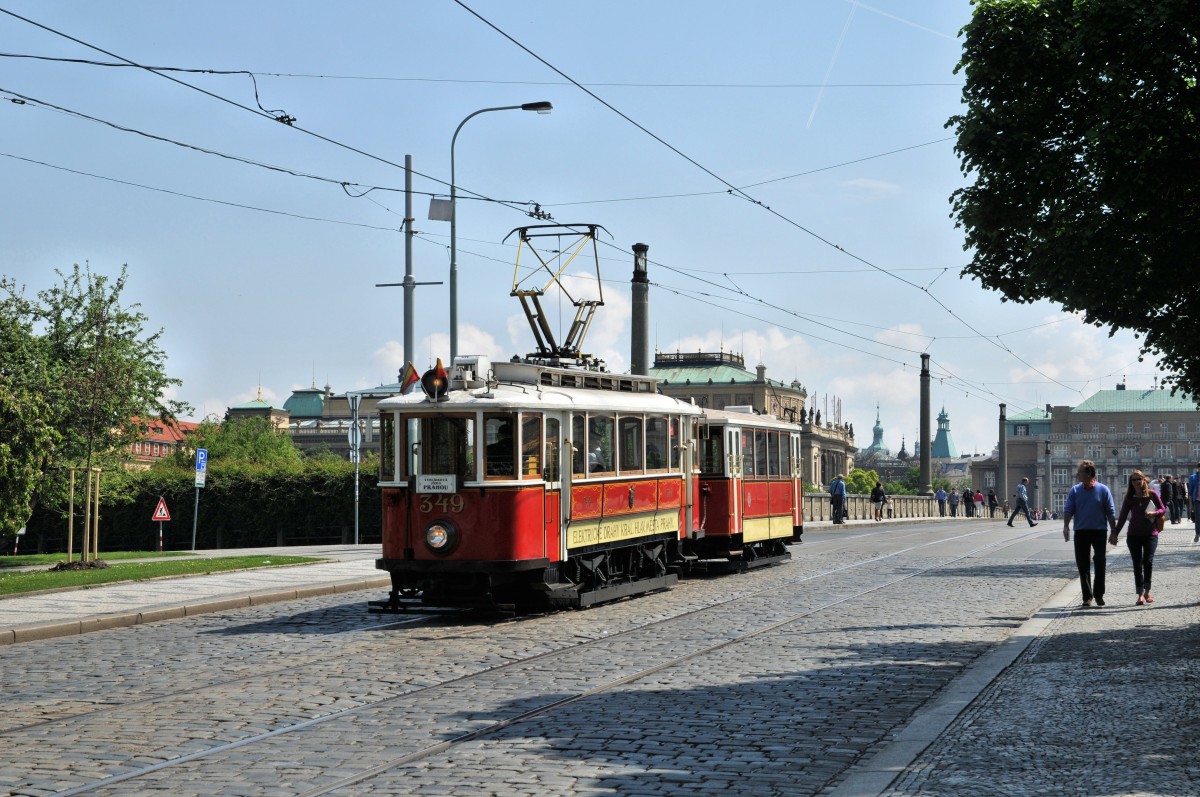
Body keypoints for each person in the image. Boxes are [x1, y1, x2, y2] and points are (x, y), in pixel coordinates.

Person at [1062, 459, 1117, 608]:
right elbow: (1068, 510)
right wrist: (1066, 527)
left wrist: (1113, 531)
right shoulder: (1075, 490)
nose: (1078, 474)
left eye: (1080, 472)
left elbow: (1110, 512)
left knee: (1100, 562)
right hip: (1081, 532)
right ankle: (1087, 597)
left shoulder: (1103, 490)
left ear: (1088, 474)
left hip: (1099, 532)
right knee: (1083, 565)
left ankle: (1099, 595)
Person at [1109, 470, 1164, 605]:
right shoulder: (1129, 498)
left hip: (1151, 534)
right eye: (1133, 480)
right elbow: (1122, 517)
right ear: (1131, 483)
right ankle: (1140, 593)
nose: (1136, 482)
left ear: (1144, 480)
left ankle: (1147, 591)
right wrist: (1115, 533)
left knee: (1148, 561)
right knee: (1137, 564)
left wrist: (1154, 513)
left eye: (1138, 479)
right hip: (1133, 535)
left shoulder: (1152, 494)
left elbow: (1163, 509)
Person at [1190, 463, 1200, 543]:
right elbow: (1190, 492)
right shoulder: (1193, 477)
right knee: (1197, 518)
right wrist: (1191, 505)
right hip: (1197, 501)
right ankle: (1197, 533)